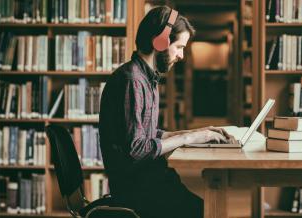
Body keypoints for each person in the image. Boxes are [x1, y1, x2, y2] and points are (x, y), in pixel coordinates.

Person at [99, 6, 234, 218]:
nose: (181, 56)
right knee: (207, 212)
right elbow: (136, 150)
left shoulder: (148, 78)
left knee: (207, 209)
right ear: (160, 42)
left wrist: (201, 133)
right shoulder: (132, 81)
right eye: (179, 47)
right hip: (137, 188)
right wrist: (190, 136)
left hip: (151, 179)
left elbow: (148, 134)